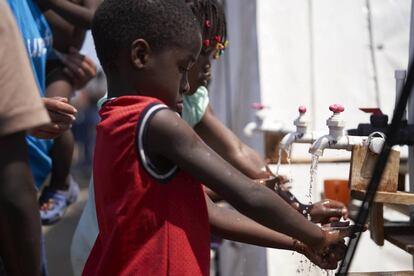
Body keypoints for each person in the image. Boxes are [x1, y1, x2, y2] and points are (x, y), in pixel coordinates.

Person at [70, 0, 349, 274]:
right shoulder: (157, 121)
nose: (188, 83)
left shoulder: (114, 119)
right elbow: (247, 193)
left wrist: (301, 241)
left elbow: (211, 213)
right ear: (140, 56)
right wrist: (318, 237)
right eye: (182, 67)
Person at [0, 2, 75, 275]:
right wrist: (19, 111)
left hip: (29, 186)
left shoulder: (35, 13)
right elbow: (11, 183)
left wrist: (65, 73)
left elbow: (45, 63)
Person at [37, 0, 100, 225]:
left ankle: (61, 183)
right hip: (35, 55)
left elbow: (92, 18)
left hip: (61, 63)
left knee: (57, 114)